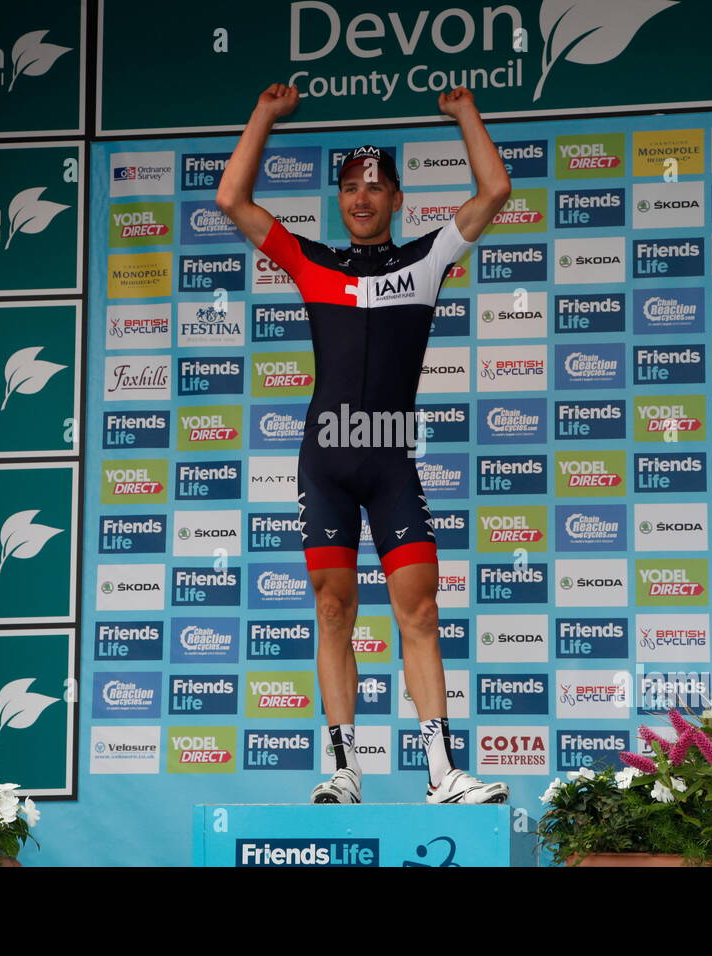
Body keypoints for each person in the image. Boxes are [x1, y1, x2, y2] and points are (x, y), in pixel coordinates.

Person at [216, 83, 512, 804]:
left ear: (397, 199)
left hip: (388, 460)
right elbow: (232, 200)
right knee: (332, 610)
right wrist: (263, 115)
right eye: (350, 187)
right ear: (340, 197)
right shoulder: (314, 262)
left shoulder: (428, 257)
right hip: (326, 459)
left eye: (374, 188)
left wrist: (465, 112)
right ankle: (344, 772)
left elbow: (496, 188)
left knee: (420, 611)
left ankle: (443, 775)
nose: (361, 199)